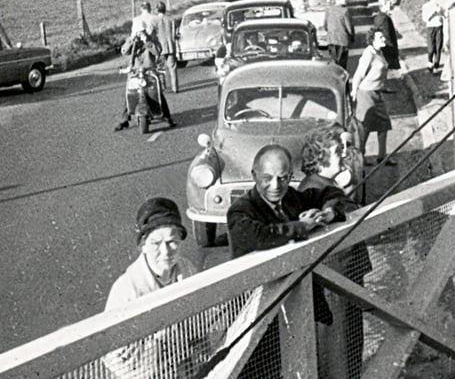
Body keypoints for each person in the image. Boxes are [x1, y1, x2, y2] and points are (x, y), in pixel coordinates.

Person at [226, 144, 349, 378]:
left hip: (296, 303)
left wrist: (327, 213)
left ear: (291, 177)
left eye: (283, 178)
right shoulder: (241, 210)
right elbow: (257, 235)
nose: (276, 186)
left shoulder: (292, 198)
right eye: (268, 178)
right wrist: (302, 227)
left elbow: (332, 194)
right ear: (254, 175)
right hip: (259, 312)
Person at [298, 125, 368, 379]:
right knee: (338, 351)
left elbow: (336, 203)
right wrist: (329, 212)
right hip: (333, 285)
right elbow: (331, 203)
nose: (343, 153)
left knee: (349, 345)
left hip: (345, 279)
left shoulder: (326, 184)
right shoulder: (311, 188)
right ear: (320, 157)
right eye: (338, 149)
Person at [103, 197, 199, 378]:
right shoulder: (127, 290)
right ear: (143, 246)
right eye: (156, 243)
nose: (166, 251)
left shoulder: (187, 270)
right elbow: (115, 355)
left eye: (172, 241)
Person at [114, 30, 176, 131]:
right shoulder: (132, 41)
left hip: (149, 71)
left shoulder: (152, 39)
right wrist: (132, 41)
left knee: (157, 93)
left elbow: (157, 51)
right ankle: (124, 120)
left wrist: (147, 41)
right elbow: (124, 51)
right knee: (129, 93)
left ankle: (167, 116)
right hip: (135, 72)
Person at [351, 27, 394, 166]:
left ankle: (382, 157)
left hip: (377, 93)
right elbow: (359, 74)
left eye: (383, 37)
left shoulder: (379, 52)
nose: (384, 39)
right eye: (380, 37)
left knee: (384, 124)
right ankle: (359, 158)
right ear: (372, 40)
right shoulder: (368, 54)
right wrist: (353, 91)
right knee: (365, 127)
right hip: (366, 94)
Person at [325, 0, 354, 69]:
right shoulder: (345, 11)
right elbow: (349, 28)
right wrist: (351, 37)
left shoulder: (328, 10)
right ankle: (343, 80)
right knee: (342, 64)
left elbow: (325, 25)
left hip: (331, 40)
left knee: (334, 63)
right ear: (338, 0)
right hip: (342, 41)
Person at [153, 2, 179, 93]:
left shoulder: (155, 21)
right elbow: (176, 34)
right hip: (170, 47)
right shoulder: (171, 19)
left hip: (160, 48)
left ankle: (162, 87)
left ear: (157, 10)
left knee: (160, 68)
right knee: (172, 68)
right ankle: (175, 87)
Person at [373, 0, 401, 72]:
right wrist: (394, 53)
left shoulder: (380, 16)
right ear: (384, 5)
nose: (390, 5)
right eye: (388, 3)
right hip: (389, 50)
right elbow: (387, 36)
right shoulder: (384, 18)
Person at [421, 0, 445, 74]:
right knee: (431, 48)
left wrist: (442, 13)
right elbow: (425, 19)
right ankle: (430, 62)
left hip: (439, 27)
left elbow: (445, 17)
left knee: (438, 47)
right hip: (430, 28)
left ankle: (436, 65)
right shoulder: (426, 6)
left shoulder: (440, 6)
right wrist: (434, 12)